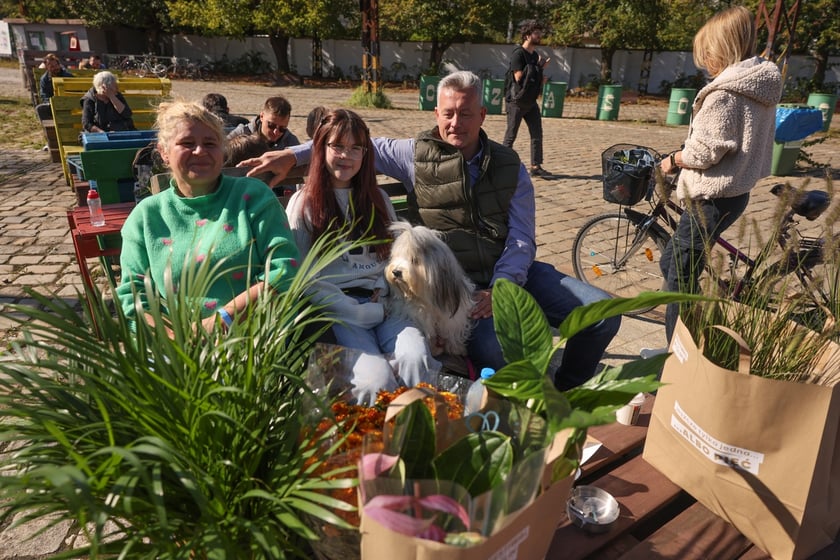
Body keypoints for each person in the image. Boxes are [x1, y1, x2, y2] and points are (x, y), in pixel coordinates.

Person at [239, 70, 621, 391]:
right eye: (449, 113)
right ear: (436, 112)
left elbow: (522, 237)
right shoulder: (413, 154)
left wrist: (504, 285)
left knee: (603, 315)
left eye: (466, 113)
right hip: (449, 284)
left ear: (483, 115)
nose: (456, 123)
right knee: (498, 351)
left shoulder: (509, 164)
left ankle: (568, 391)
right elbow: (347, 145)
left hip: (509, 275)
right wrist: (291, 154)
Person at [286, 108, 439, 405]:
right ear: (321, 148)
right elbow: (301, 279)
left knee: (416, 359)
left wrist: (386, 294)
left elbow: (395, 259)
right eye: (337, 146)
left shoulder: (378, 200)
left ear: (365, 154)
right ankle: (375, 443)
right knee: (377, 382)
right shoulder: (303, 204)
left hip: (385, 305)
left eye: (356, 148)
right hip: (341, 313)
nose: (347, 155)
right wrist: (356, 311)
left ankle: (419, 436)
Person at [116, 100, 301, 335]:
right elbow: (132, 297)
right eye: (187, 143)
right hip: (172, 347)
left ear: (222, 152)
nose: (200, 151)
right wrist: (177, 340)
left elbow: (284, 269)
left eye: (210, 143)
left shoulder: (252, 197)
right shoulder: (146, 217)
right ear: (164, 152)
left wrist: (221, 321)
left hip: (255, 341)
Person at [656, 6, 782, 344]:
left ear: (723, 49)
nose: (705, 62)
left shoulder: (725, 94)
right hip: (735, 192)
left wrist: (672, 159)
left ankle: (677, 358)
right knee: (674, 263)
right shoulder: (760, 86)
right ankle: (695, 335)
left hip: (709, 199)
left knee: (679, 282)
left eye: (707, 53)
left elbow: (704, 153)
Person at [503, 20, 550, 178]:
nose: (539, 36)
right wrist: (537, 70)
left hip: (530, 101)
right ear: (527, 35)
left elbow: (533, 79)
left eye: (539, 33)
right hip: (516, 101)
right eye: (536, 33)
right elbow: (519, 79)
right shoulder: (519, 54)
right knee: (511, 135)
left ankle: (536, 166)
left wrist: (540, 74)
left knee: (537, 133)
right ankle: (502, 165)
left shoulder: (535, 55)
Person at [227, 96, 300, 151]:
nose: (276, 132)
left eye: (282, 128)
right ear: (261, 116)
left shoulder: (291, 143)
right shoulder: (241, 134)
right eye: (271, 125)